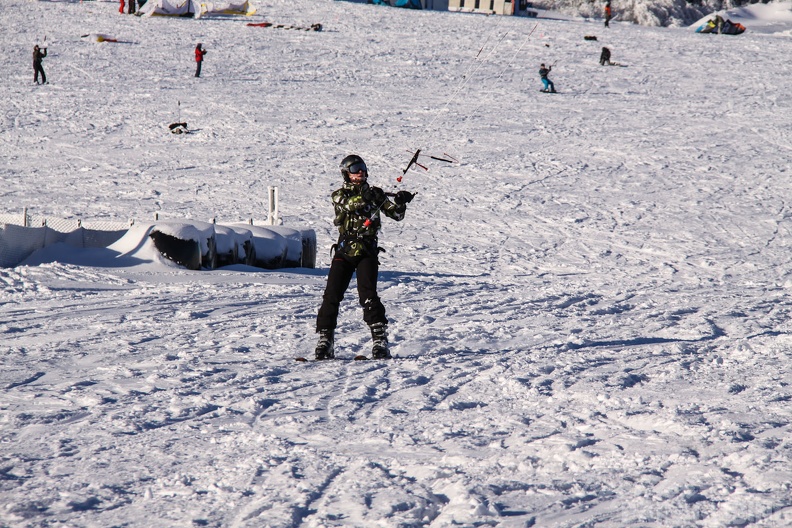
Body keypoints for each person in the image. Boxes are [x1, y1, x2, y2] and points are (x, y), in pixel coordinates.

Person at [314, 154, 415, 360]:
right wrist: (367, 196)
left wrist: (401, 202)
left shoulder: (376, 195)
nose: (360, 171)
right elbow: (351, 205)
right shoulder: (338, 195)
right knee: (331, 295)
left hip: (367, 252)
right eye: (354, 169)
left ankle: (380, 341)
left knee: (368, 295)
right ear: (346, 173)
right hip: (344, 251)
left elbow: (396, 215)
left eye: (362, 168)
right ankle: (326, 341)